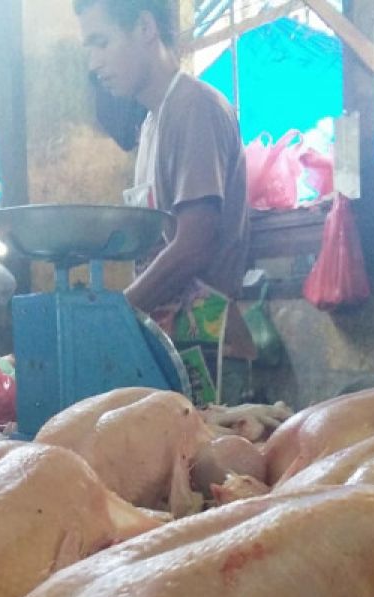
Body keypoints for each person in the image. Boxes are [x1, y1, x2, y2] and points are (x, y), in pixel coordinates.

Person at [75, 0, 256, 402]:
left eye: (101, 42)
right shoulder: (153, 121)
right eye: (88, 48)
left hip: (208, 344)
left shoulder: (194, 108)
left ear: (144, 28)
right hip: (171, 336)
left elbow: (193, 245)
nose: (93, 62)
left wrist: (117, 315)